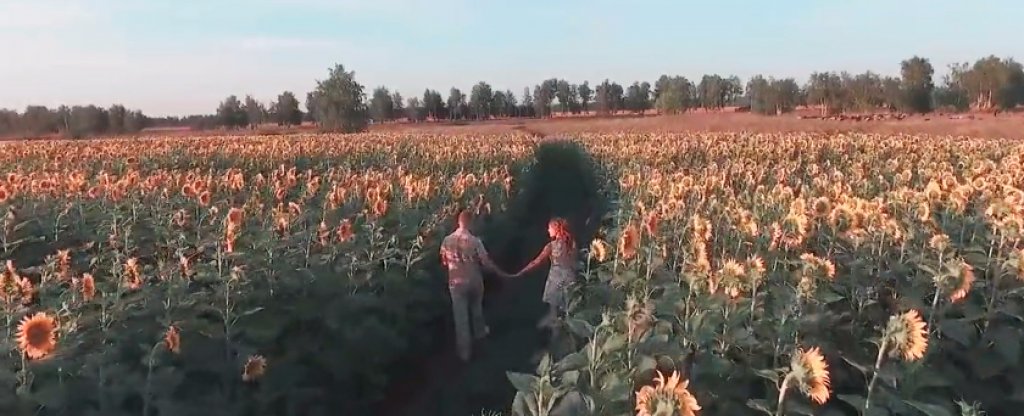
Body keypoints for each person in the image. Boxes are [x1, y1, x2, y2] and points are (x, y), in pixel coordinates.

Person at [440, 209, 510, 362]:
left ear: (459, 222)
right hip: (473, 280)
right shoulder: (475, 241)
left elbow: (444, 262)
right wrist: (498, 272)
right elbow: (485, 262)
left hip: (456, 283)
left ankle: (464, 353)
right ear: (470, 222)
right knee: (476, 309)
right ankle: (480, 336)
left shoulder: (447, 241)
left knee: (461, 318)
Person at [512, 217, 578, 329]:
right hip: (570, 277)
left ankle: (555, 336)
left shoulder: (551, 246)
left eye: (549, 228)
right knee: (570, 308)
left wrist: (521, 272)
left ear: (555, 229)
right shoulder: (571, 243)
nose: (548, 230)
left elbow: (536, 261)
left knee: (554, 311)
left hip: (555, 279)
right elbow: (574, 259)